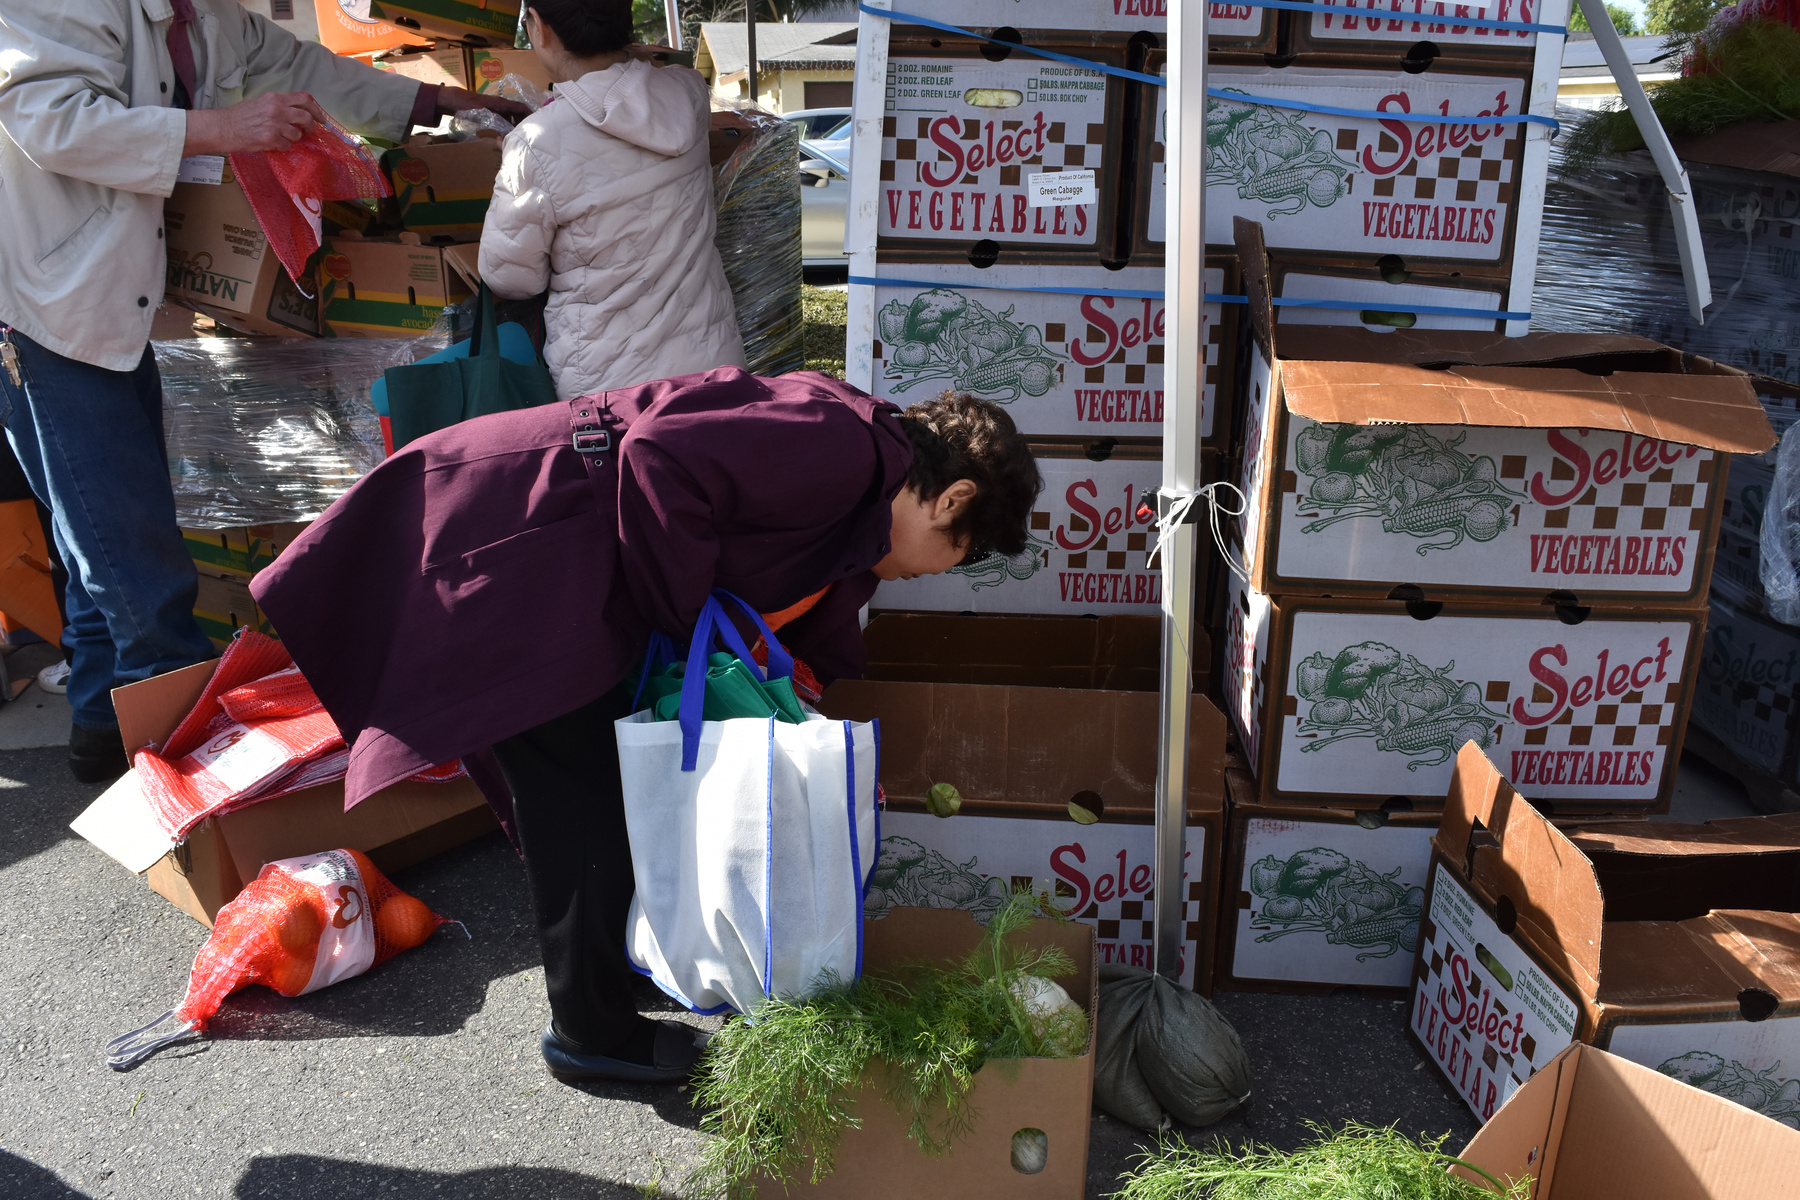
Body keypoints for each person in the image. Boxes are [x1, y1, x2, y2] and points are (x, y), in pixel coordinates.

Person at [252, 368, 1041, 1082]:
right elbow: (660, 453)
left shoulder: (864, 480)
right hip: (528, 544)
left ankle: (610, 964)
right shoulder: (840, 446)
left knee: (615, 789)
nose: (935, 571)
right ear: (953, 499)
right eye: (955, 551)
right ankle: (589, 1034)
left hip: (579, 568)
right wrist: (686, 618)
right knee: (580, 797)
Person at [0, 2, 526, 783]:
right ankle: (181, 748)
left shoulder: (205, 14)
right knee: (123, 533)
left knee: (98, 528)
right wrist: (221, 128)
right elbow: (50, 120)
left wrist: (437, 102)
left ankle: (98, 726)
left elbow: (300, 65)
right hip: (49, 297)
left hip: (115, 291)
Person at [479, 0, 747, 398]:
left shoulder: (537, 141)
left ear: (538, 26)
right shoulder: (688, 94)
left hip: (611, 394)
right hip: (714, 369)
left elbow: (510, 277)